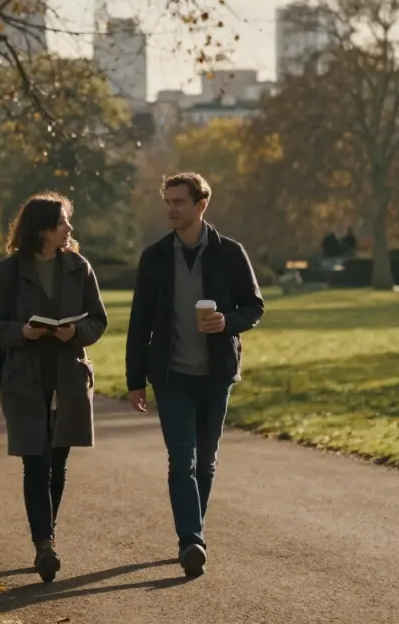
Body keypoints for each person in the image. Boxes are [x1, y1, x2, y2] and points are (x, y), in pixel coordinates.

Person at [125, 172, 264, 579]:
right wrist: (135, 379)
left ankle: (193, 531)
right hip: (172, 377)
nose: (171, 208)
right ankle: (191, 540)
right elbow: (139, 323)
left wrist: (228, 321)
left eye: (179, 202)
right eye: (167, 202)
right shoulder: (155, 257)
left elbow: (254, 307)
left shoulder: (231, 253)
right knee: (180, 459)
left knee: (206, 461)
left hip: (216, 375)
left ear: (201, 204)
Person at [0, 193, 108, 584]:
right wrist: (22, 331)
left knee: (57, 464)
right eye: (62, 222)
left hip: (68, 376)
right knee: (34, 461)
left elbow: (98, 321)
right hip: (24, 377)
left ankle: (44, 536)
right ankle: (45, 544)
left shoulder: (79, 266)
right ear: (41, 229)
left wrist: (75, 331)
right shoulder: (9, 271)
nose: (69, 228)